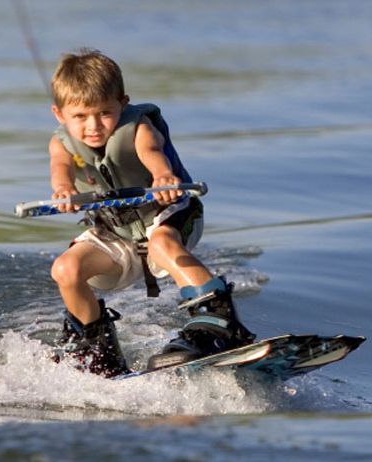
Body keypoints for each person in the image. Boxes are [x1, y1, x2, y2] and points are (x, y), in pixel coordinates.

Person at [47, 48, 254, 377]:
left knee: (160, 243)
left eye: (105, 113)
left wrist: (162, 176)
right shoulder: (61, 144)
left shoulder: (139, 129)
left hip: (169, 215)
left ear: (123, 103)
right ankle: (97, 348)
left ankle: (221, 325)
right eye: (81, 116)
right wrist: (64, 191)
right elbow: (61, 170)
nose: (94, 125)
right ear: (60, 115)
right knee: (66, 269)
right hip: (117, 232)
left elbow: (152, 152)